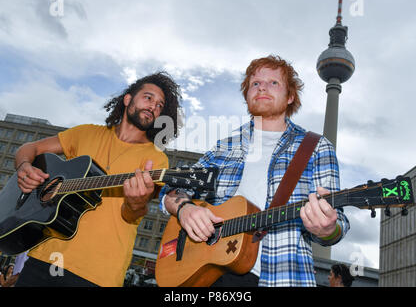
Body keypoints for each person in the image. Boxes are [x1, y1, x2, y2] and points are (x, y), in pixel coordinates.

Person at [160, 55, 350, 287]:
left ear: (290, 96)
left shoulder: (317, 147)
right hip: (209, 276)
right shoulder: (224, 146)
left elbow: (337, 222)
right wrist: (184, 209)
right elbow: (172, 190)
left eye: (273, 83)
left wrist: (328, 228)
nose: (262, 88)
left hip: (280, 278)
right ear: (247, 94)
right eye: (255, 83)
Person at [14, 72, 182, 287]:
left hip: (97, 274)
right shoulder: (85, 133)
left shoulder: (157, 159)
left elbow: (133, 215)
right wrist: (25, 167)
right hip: (43, 258)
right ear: (128, 99)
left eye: (159, 105)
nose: (153, 107)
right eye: (148, 98)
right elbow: (29, 148)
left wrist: (136, 203)